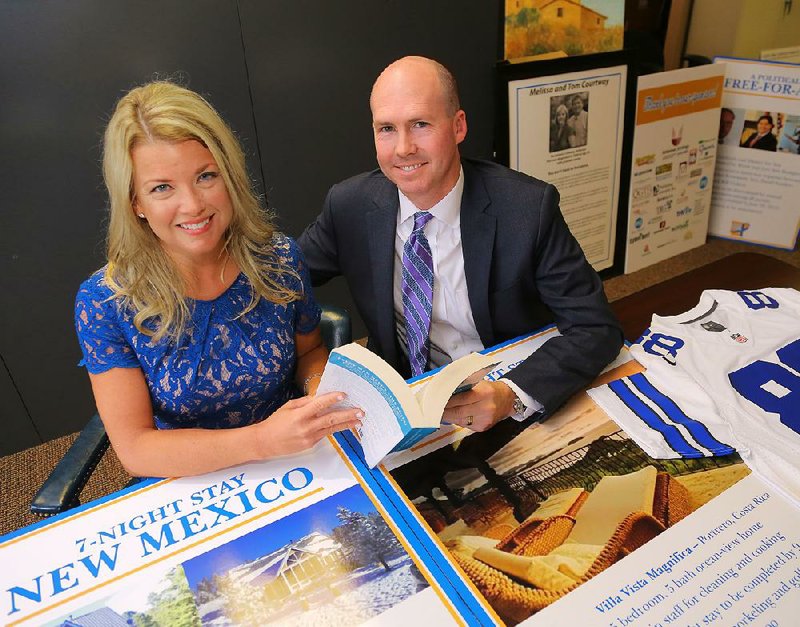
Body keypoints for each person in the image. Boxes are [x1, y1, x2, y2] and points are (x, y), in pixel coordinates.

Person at [298, 56, 622, 433]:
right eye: (387, 128)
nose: (403, 148)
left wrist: (510, 393)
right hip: (406, 399)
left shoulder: (527, 209)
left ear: (458, 126)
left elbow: (596, 327)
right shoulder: (350, 206)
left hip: (501, 394)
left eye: (420, 124)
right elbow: (281, 277)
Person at [75, 81, 362, 478]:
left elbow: (309, 354)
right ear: (136, 203)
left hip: (296, 458)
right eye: (162, 188)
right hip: (194, 477)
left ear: (229, 174)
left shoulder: (277, 258)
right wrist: (261, 441)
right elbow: (136, 449)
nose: (192, 205)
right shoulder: (105, 302)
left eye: (206, 176)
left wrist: (318, 396)